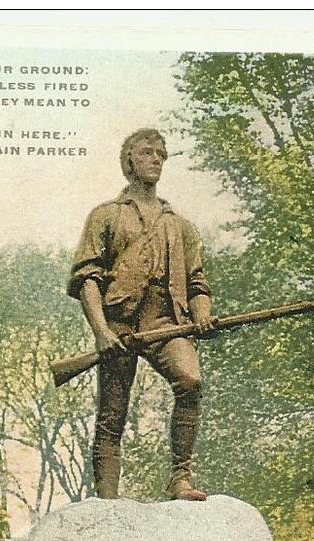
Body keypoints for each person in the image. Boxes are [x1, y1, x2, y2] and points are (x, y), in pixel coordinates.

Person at [68, 128, 216, 501]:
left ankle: (180, 478)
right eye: (147, 152)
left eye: (161, 155)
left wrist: (202, 314)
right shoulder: (105, 216)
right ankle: (107, 499)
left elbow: (197, 283)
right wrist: (102, 332)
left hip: (166, 323)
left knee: (191, 382)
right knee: (112, 413)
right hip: (118, 324)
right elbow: (88, 279)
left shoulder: (179, 225)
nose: (155, 159)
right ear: (129, 160)